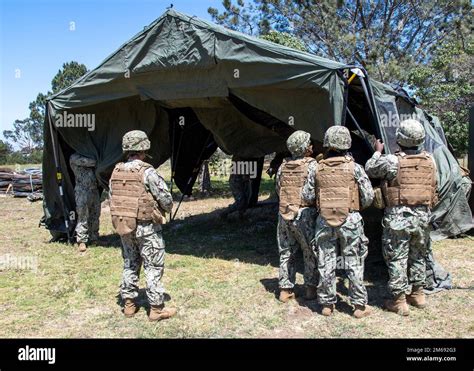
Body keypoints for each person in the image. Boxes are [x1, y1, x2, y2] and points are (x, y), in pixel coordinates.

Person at [365, 119, 438, 316]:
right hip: (423, 217)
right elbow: (434, 184)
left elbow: (370, 168)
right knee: (418, 254)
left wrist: (377, 150)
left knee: (397, 257)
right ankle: (418, 293)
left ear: (399, 138)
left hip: (398, 217)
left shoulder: (392, 160)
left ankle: (398, 300)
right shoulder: (430, 160)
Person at [109, 130, 175, 321]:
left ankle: (129, 305)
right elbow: (167, 200)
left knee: (130, 262)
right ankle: (156, 309)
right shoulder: (147, 172)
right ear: (143, 148)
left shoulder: (116, 171)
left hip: (125, 227)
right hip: (147, 228)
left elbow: (113, 199)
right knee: (153, 266)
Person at [314, 126, 374, 318]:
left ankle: (326, 304)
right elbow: (368, 197)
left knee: (326, 261)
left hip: (324, 219)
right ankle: (358, 306)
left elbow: (307, 195)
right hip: (350, 219)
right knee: (354, 262)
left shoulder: (317, 168)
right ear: (347, 143)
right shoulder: (355, 168)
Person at [275, 131, 318, 302]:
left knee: (286, 252)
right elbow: (314, 193)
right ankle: (311, 288)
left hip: (284, 213)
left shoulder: (283, 167)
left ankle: (285, 289)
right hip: (305, 213)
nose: (312, 146)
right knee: (310, 251)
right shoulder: (313, 166)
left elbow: (278, 190)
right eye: (309, 143)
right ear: (305, 147)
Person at [69, 153, 100, 252]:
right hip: (82, 190)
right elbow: (91, 163)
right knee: (83, 215)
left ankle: (94, 238)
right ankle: (82, 240)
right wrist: (99, 159)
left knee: (95, 214)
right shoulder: (74, 157)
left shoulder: (92, 154)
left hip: (94, 190)